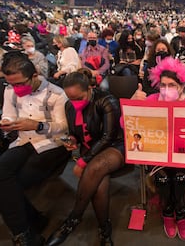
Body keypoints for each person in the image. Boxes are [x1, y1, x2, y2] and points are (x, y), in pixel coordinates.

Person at [0, 51, 70, 245]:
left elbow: (63, 127)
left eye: (20, 84)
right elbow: (7, 114)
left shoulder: (57, 94)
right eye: (12, 84)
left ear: (34, 76)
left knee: (14, 181)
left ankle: (29, 229)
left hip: (51, 143)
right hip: (23, 140)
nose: (16, 89)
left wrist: (37, 125)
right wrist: (7, 123)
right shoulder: (10, 90)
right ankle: (25, 233)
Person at [46, 71, 124, 246]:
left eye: (78, 97)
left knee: (95, 168)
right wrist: (72, 140)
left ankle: (73, 219)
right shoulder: (69, 106)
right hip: (91, 151)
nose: (74, 103)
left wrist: (83, 160)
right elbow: (75, 133)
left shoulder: (106, 100)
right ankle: (105, 229)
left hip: (114, 146)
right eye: (70, 98)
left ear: (90, 88)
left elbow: (108, 136)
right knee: (98, 186)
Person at [130, 57, 185, 240]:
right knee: (163, 177)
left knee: (180, 176)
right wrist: (134, 102)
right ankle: (167, 213)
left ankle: (181, 214)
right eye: (163, 84)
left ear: (181, 86)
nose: (166, 89)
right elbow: (125, 123)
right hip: (156, 154)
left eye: (172, 85)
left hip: (181, 154)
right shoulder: (151, 99)